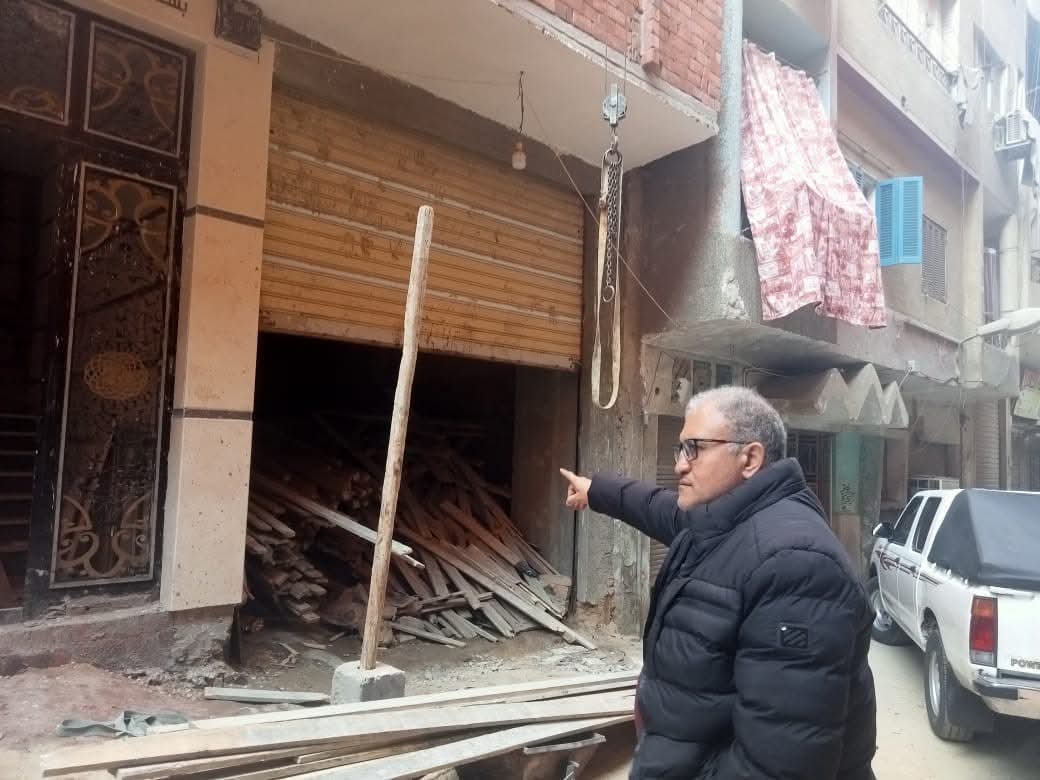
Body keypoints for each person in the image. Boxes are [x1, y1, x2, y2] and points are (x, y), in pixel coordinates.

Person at [560, 386, 876, 780]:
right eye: (680, 449)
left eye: (694, 448)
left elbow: (778, 766)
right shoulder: (723, 520)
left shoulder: (796, 566)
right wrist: (597, 491)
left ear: (750, 458)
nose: (680, 465)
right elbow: (658, 509)